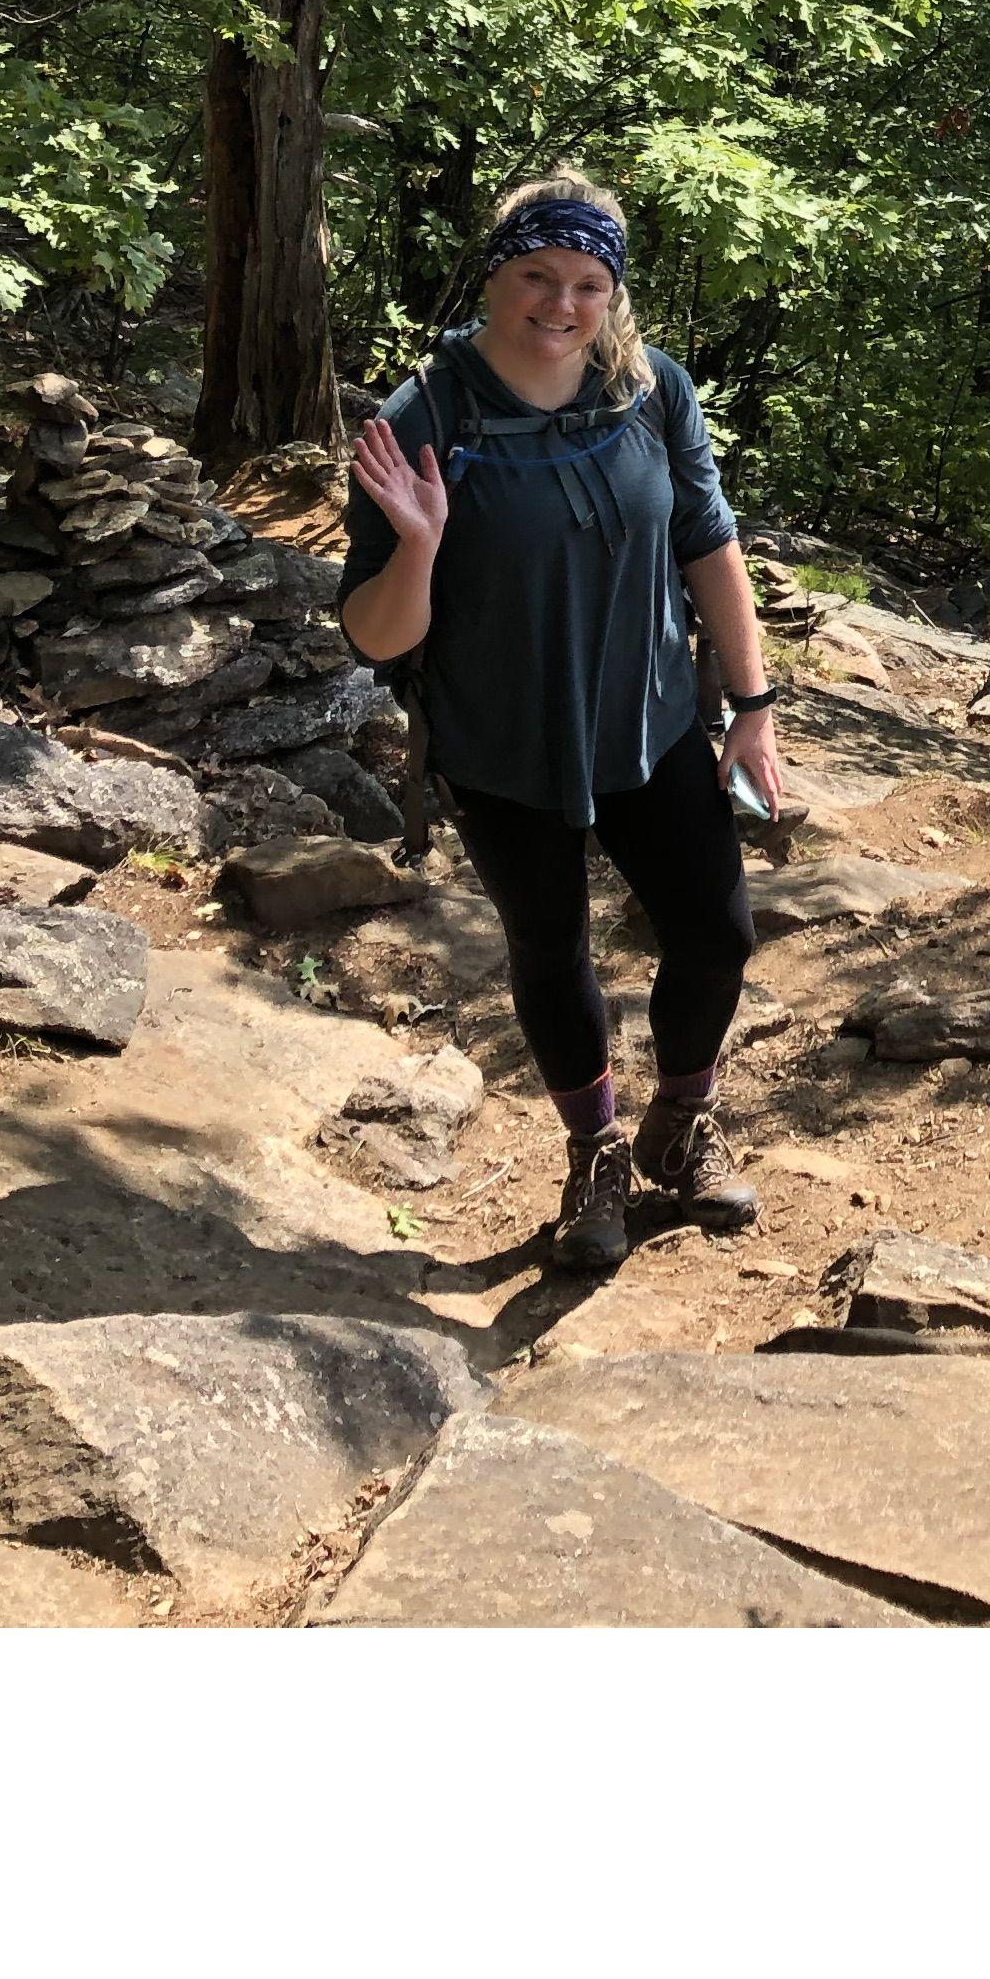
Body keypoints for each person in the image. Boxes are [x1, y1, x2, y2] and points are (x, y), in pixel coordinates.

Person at [336, 167, 788, 1278]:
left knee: (717, 931)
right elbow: (377, 639)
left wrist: (753, 703)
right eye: (537, 274)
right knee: (554, 948)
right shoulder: (423, 419)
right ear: (496, 272)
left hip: (650, 719)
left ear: (613, 292)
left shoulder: (652, 390)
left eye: (589, 282)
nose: (560, 305)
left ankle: (680, 1123)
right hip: (503, 738)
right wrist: (424, 544)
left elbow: (707, 542)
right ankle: (595, 1151)